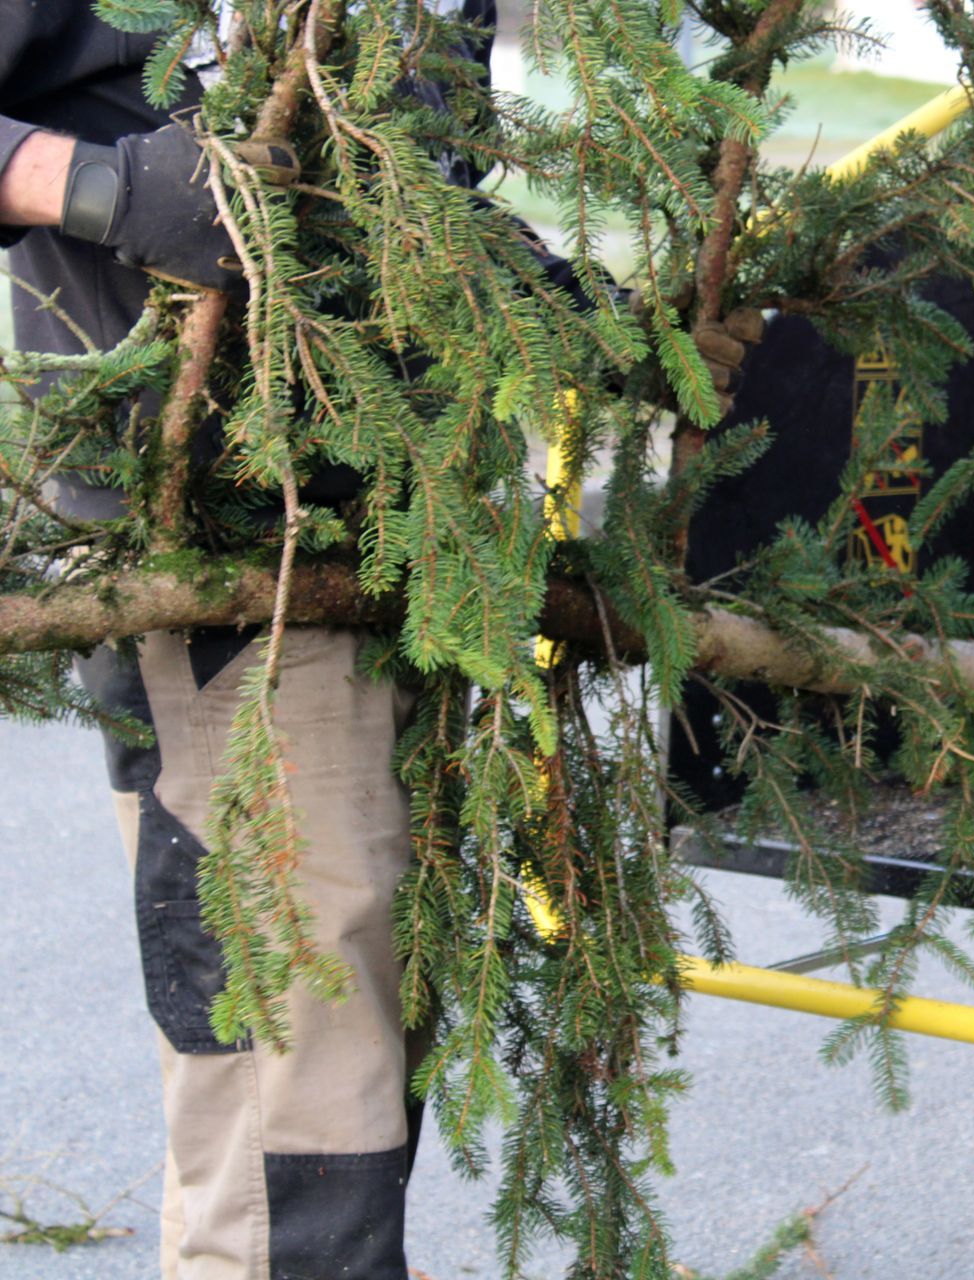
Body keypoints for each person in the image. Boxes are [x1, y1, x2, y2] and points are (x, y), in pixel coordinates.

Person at [0, 5, 757, 1275]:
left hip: (402, 545)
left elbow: (404, 205)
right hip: (215, 543)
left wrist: (592, 318)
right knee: (295, 1071)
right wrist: (93, 185)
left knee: (356, 1041)